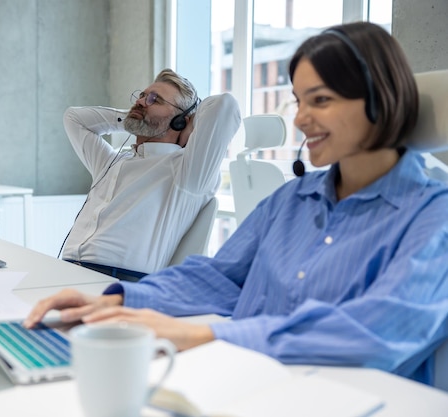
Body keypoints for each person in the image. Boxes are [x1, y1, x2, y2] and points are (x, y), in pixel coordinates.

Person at [26, 22, 448, 385]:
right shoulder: (291, 200)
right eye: (300, 102)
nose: (300, 119)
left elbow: (376, 331)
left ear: (381, 98)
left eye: (320, 100)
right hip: (247, 380)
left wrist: (210, 336)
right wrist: (118, 300)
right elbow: (219, 278)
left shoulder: (433, 216)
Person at [60, 69, 241, 281]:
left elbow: (225, 106)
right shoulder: (111, 161)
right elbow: (73, 118)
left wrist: (188, 124)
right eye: (142, 96)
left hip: (117, 282)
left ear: (181, 121)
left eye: (156, 99)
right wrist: (134, 118)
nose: (142, 101)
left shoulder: (187, 172)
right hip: (66, 271)